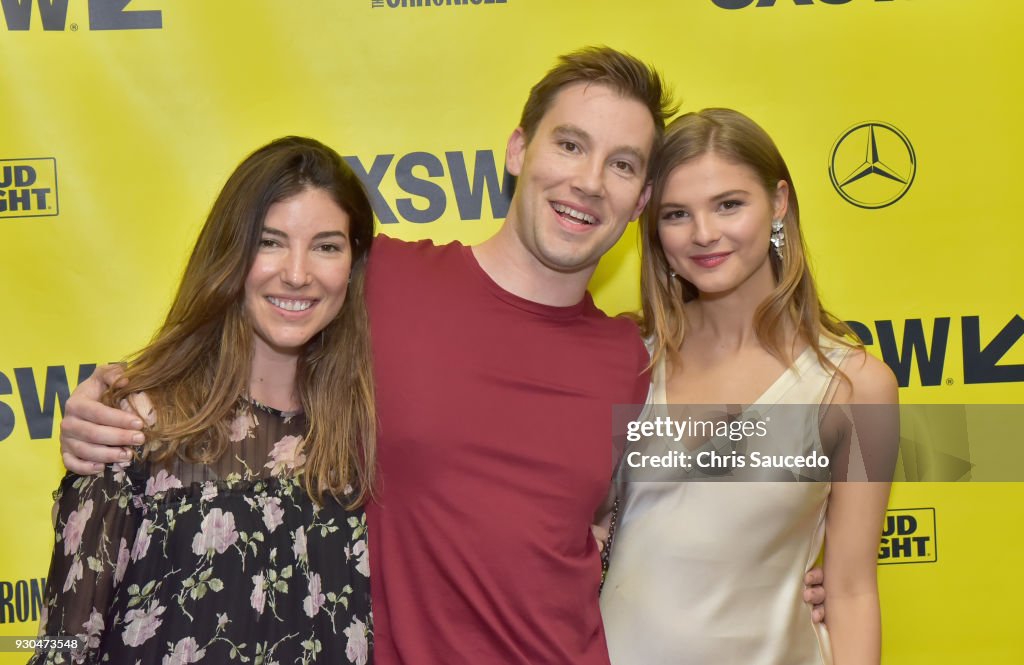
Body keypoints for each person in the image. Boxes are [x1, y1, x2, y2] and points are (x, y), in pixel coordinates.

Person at [58, 51, 826, 664]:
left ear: (640, 199)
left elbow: (698, 499)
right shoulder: (380, 279)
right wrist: (120, 397)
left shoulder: (637, 360)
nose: (589, 182)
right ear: (519, 150)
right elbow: (259, 315)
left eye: (623, 165)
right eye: (570, 144)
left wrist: (790, 584)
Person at [33, 137, 375, 664]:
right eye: (270, 241)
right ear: (232, 253)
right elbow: (59, 646)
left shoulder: (369, 432)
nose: (298, 273)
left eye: (327, 246)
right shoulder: (136, 428)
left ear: (354, 264)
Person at [599, 108, 899, 664]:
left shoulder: (853, 386)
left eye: (729, 204)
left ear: (778, 202)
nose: (704, 233)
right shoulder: (626, 360)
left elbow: (852, 589)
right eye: (676, 214)